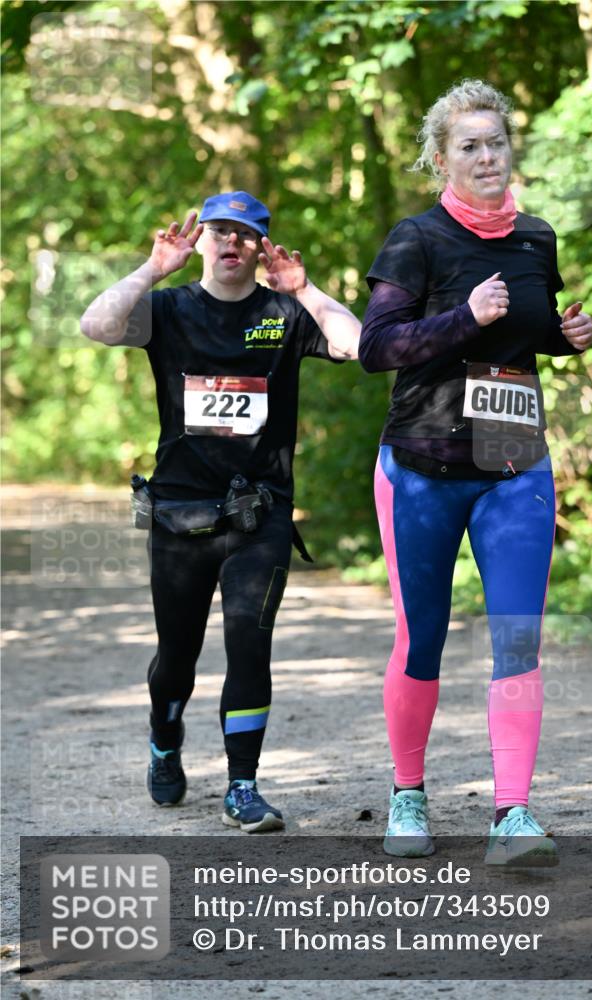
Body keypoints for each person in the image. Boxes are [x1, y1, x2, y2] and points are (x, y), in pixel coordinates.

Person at [359, 80, 592, 863]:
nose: (486, 156)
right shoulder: (414, 239)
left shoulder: (535, 237)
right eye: (469, 146)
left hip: (514, 461)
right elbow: (376, 348)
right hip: (422, 464)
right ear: (440, 158)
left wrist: (567, 336)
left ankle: (512, 815)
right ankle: (407, 795)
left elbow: (527, 335)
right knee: (419, 635)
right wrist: (466, 317)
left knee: (518, 638)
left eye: (495, 142)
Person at [81, 191, 360, 832]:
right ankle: (164, 738)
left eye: (245, 233)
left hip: (259, 516)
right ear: (200, 241)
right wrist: (152, 270)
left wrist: (307, 290)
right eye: (219, 231)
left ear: (260, 246)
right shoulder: (168, 309)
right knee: (177, 655)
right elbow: (94, 327)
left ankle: (242, 787)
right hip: (180, 516)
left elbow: (359, 344)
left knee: (248, 647)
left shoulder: (282, 313)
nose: (231, 242)